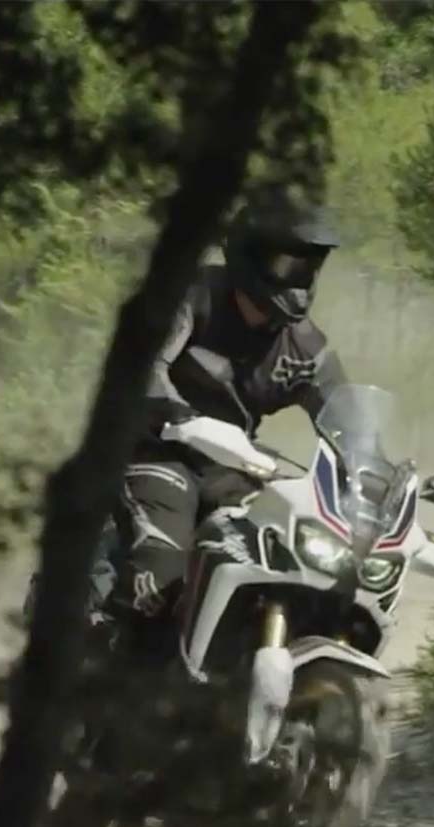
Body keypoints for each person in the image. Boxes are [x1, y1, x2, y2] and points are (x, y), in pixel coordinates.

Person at [112, 188, 347, 620]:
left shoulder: (307, 350)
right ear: (250, 255)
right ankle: (105, 647)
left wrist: (375, 476)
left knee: (283, 551)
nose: (301, 279)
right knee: (162, 566)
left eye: (310, 266)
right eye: (289, 264)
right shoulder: (190, 295)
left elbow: (347, 420)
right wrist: (181, 418)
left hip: (232, 468)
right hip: (154, 450)